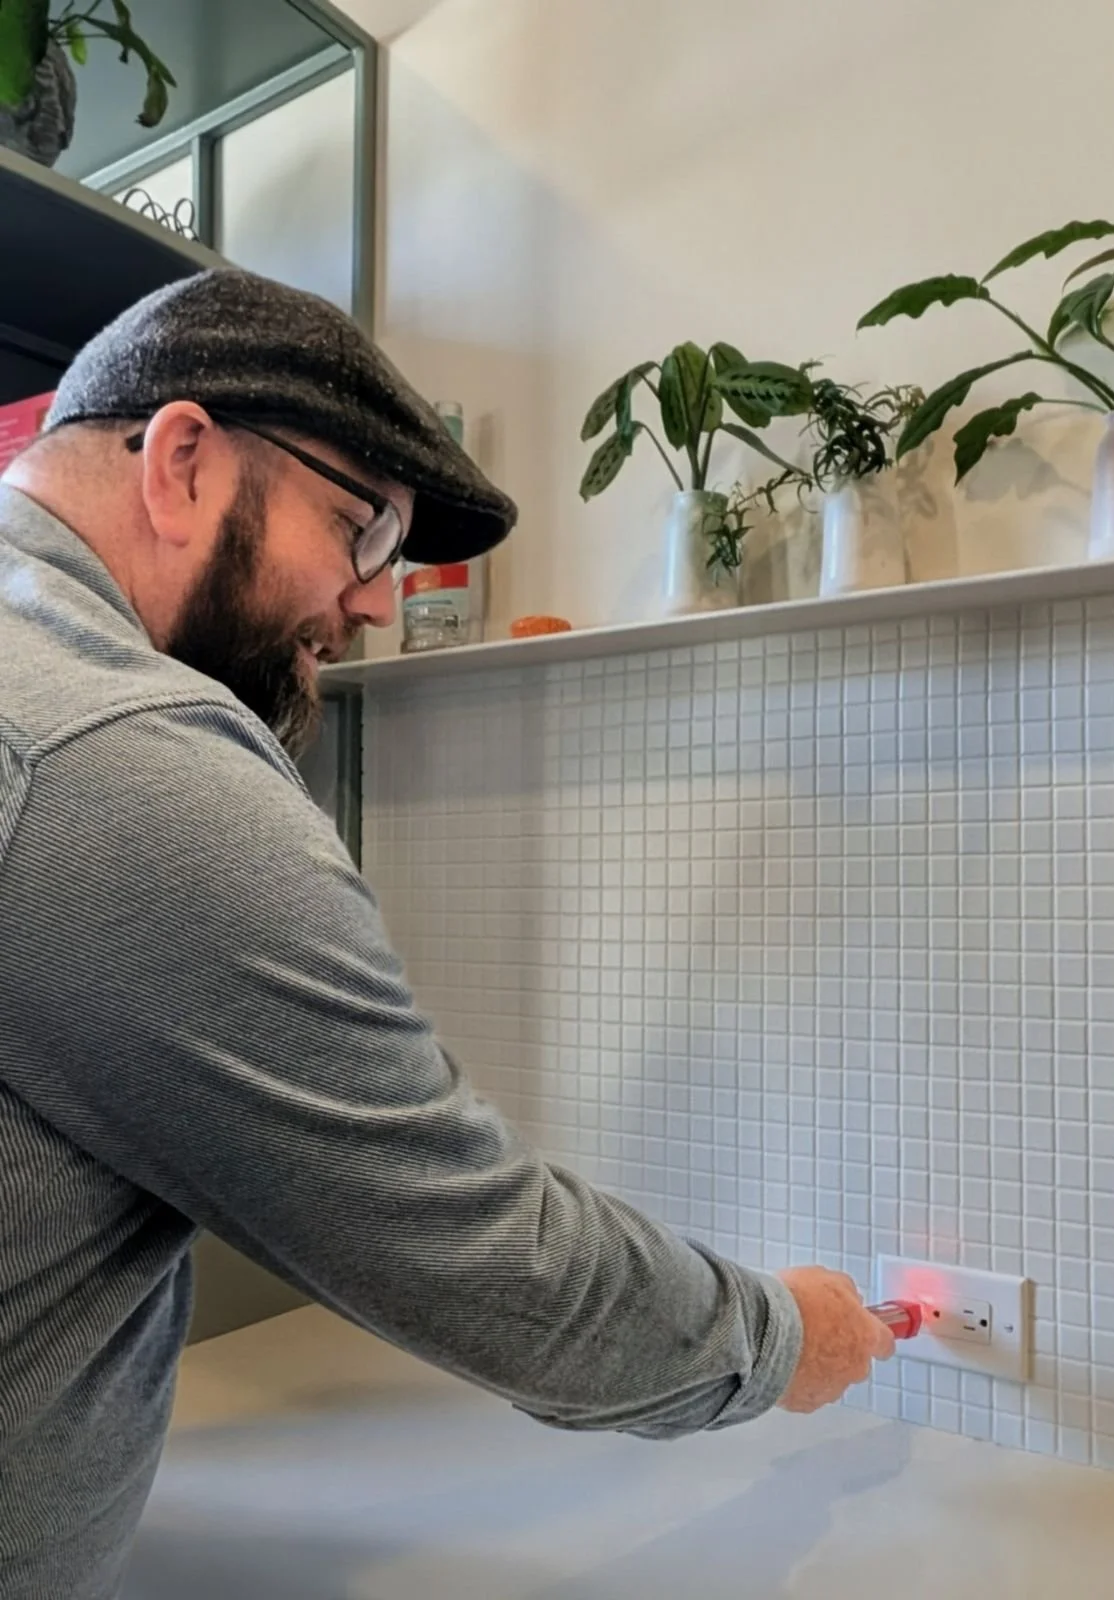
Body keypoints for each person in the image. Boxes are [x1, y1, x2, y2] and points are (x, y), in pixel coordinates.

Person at [0, 269, 895, 1597]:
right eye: (361, 530)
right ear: (182, 460)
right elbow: (479, 1259)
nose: (372, 602)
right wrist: (780, 1338)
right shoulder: (123, 761)